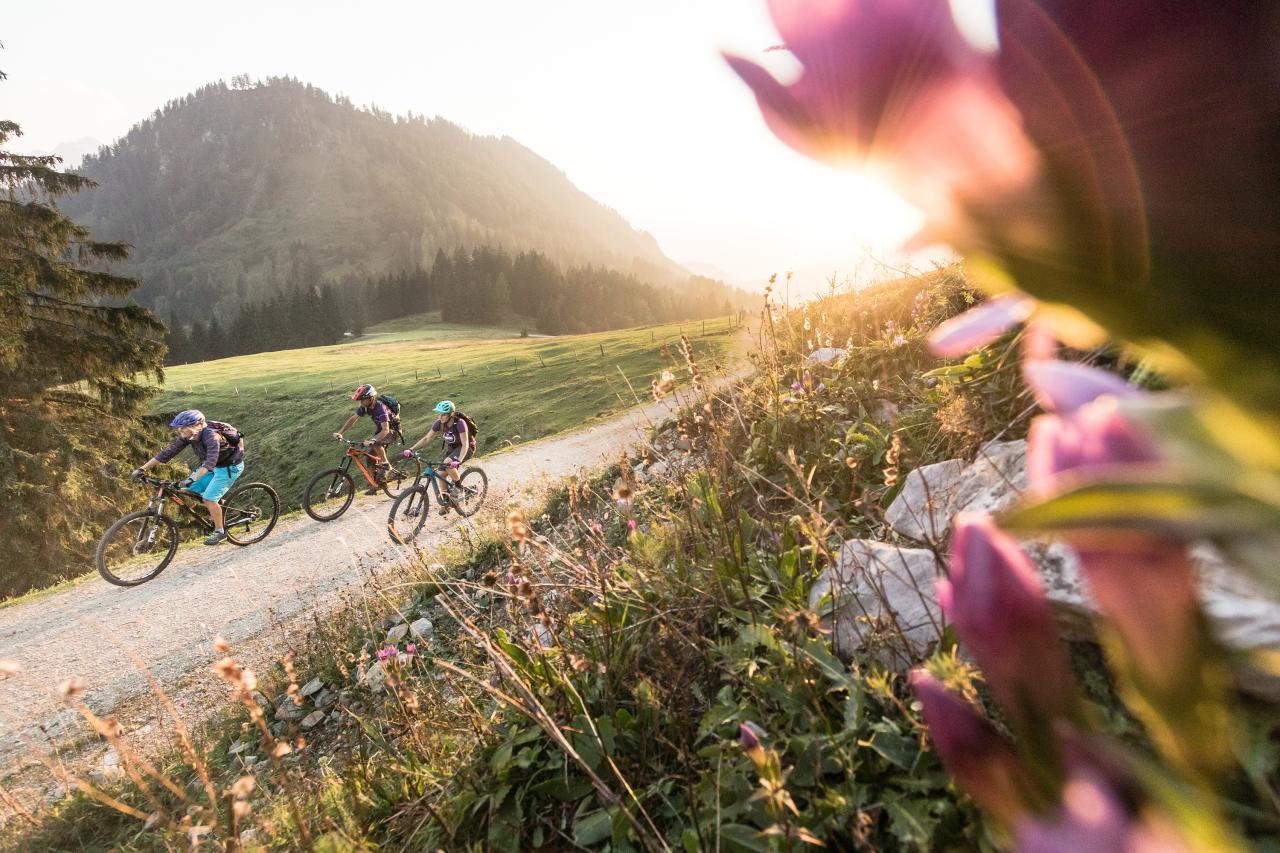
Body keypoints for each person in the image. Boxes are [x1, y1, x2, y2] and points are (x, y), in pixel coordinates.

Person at [132, 410, 245, 545]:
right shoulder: (189, 436)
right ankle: (220, 505)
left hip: (228, 468)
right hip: (212, 467)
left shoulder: (211, 436)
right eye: (179, 428)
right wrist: (142, 468)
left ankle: (220, 532)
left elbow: (210, 462)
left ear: (195, 426)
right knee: (191, 491)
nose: (180, 430)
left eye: (183, 427)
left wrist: (192, 479)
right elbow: (167, 453)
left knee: (208, 498)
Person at [404, 400, 474, 507]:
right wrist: (411, 449)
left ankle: (459, 488)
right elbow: (427, 438)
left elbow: (465, 444)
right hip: (452, 449)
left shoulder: (460, 423)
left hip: (467, 448)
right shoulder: (439, 424)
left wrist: (458, 460)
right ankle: (445, 502)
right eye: (439, 413)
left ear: (451, 414)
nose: (440, 417)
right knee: (441, 474)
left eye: (443, 414)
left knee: (447, 463)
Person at [333, 384, 396, 495]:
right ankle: (376, 485)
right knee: (370, 460)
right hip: (381, 430)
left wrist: (373, 440)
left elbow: (386, 430)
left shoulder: (381, 409)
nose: (360, 402)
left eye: (363, 399)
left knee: (375, 444)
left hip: (392, 431)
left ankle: (386, 465)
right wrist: (340, 432)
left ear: (371, 398)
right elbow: (353, 419)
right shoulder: (365, 407)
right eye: (360, 400)